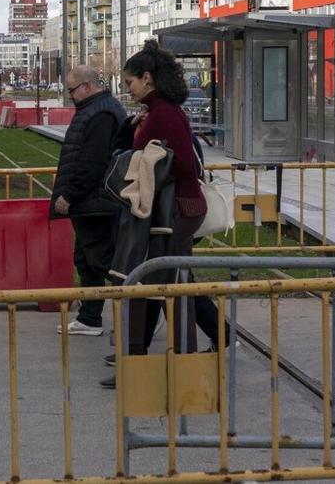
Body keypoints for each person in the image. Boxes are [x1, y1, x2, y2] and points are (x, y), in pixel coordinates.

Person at [102, 40, 222, 387]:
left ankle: (164, 365)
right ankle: (140, 359)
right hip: (167, 212)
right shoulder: (158, 112)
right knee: (155, 283)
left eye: (130, 82)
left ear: (148, 78)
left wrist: (146, 157)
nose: (128, 88)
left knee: (165, 285)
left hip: (175, 212)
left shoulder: (164, 114)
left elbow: (182, 162)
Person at [51, 66, 127, 336]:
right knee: (87, 260)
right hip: (95, 202)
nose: (69, 95)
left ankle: (140, 309)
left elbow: (91, 162)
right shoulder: (98, 110)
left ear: (86, 86)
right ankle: (90, 318)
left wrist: (69, 195)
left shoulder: (101, 114)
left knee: (102, 261)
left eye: (71, 90)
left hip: (96, 202)